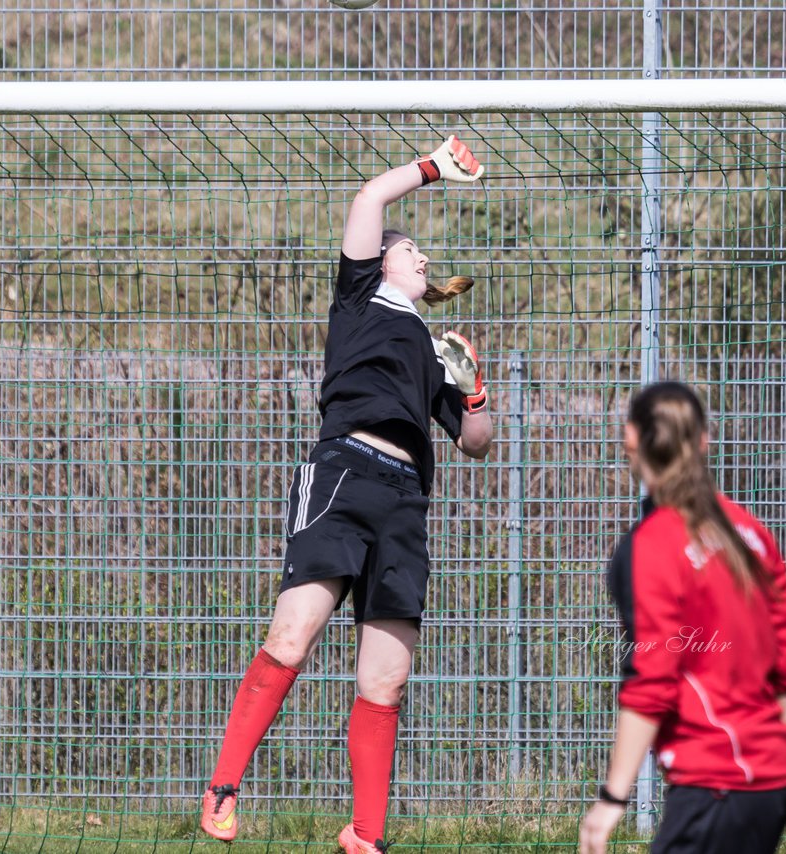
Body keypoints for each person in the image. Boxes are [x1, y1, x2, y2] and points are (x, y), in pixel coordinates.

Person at [199, 136, 494, 854]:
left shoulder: (430, 345)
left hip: (404, 501)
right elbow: (369, 198)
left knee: (385, 682)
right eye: (409, 249)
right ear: (381, 262)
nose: (422, 259)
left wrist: (473, 386)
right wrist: (430, 169)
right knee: (292, 636)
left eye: (423, 254)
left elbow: (477, 442)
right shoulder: (362, 297)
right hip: (345, 473)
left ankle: (365, 836)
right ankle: (222, 789)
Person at [578, 381, 786, 854]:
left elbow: (652, 676)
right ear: (705, 441)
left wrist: (611, 800)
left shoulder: (650, 547)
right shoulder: (747, 530)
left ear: (630, 438)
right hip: (770, 780)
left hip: (720, 782)